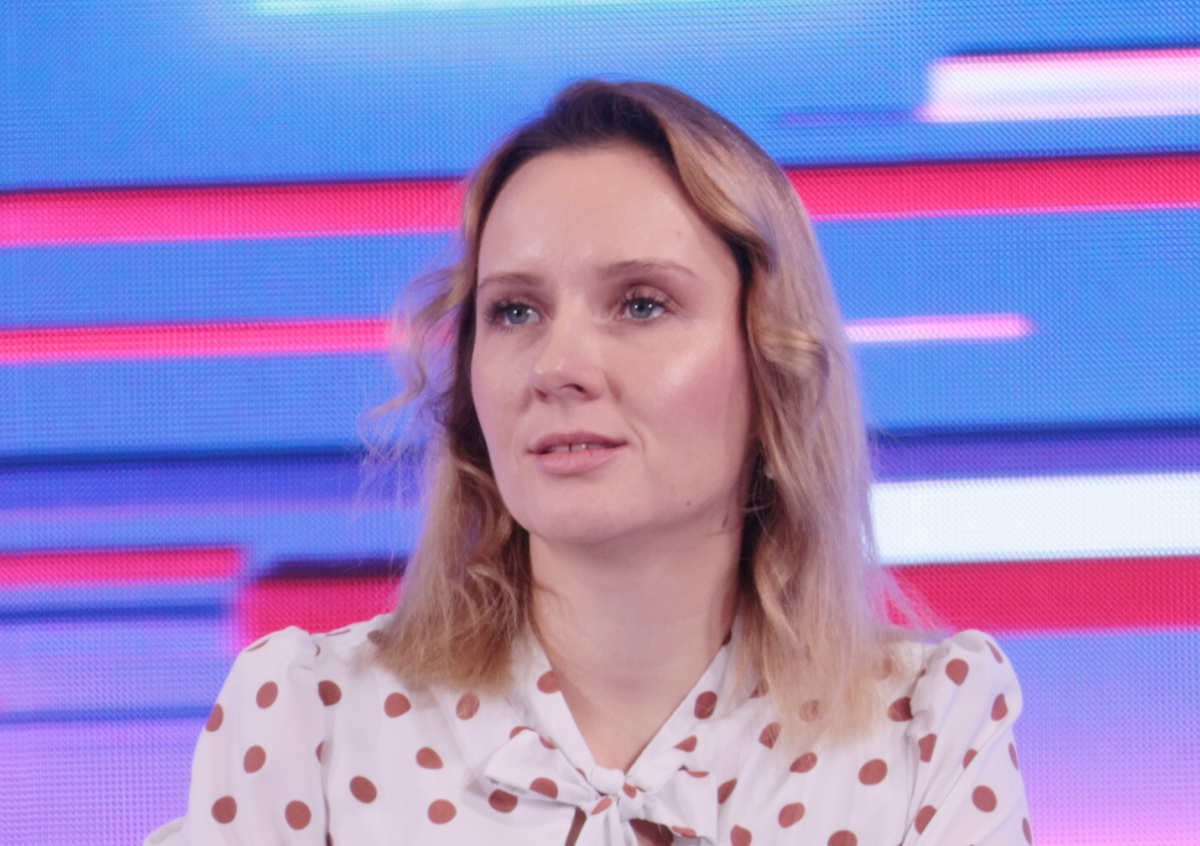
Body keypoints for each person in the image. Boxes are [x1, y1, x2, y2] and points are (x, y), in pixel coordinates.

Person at [147, 80, 1032, 846]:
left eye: (641, 304)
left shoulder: (927, 730)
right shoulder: (308, 719)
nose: (557, 365)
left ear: (771, 360)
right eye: (515, 312)